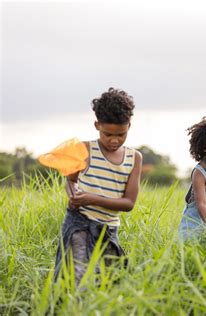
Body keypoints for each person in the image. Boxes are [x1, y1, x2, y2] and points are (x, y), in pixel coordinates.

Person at [54, 87, 143, 286]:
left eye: (121, 134)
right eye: (107, 134)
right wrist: (73, 197)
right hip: (80, 222)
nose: (114, 140)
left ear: (129, 125)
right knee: (77, 275)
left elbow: (129, 203)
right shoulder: (85, 149)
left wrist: (91, 198)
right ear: (97, 125)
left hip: (109, 229)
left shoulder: (134, 158)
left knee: (109, 280)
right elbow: (70, 180)